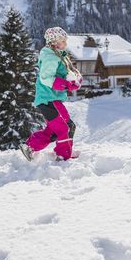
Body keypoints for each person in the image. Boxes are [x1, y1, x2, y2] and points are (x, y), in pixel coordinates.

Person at [20, 27, 82, 161]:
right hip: (48, 99)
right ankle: (62, 155)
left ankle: (30, 147)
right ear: (54, 42)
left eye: (65, 41)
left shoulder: (58, 55)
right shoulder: (50, 57)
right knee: (63, 128)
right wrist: (67, 84)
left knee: (64, 127)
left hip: (52, 99)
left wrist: (75, 79)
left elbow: (66, 73)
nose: (65, 44)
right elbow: (46, 78)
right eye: (62, 41)